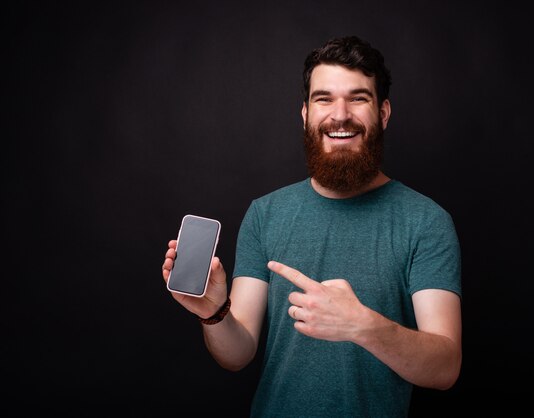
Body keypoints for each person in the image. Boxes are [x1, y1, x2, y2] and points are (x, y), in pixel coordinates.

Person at [161, 35, 462, 417]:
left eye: (358, 98)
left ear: (383, 113)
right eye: (324, 99)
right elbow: (237, 355)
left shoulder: (426, 221)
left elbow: (445, 367)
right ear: (305, 114)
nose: (340, 115)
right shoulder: (264, 214)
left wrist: (362, 326)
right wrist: (214, 313)